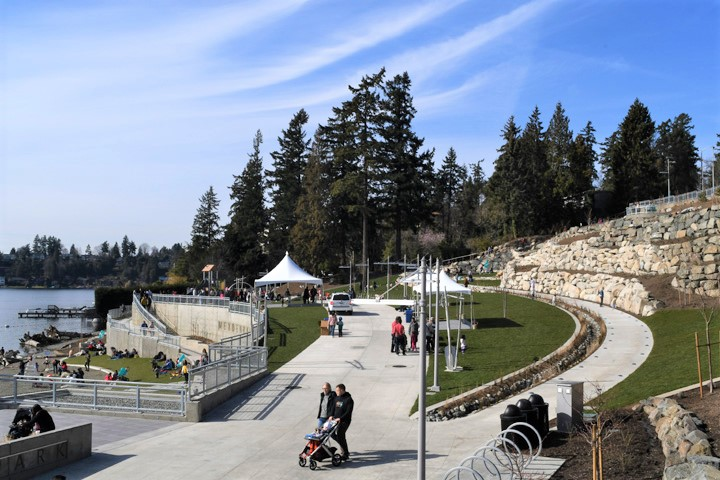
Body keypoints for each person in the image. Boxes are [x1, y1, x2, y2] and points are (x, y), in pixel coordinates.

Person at [329, 384, 353, 460]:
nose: (336, 392)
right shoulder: (336, 398)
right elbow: (333, 407)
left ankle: (346, 453)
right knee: (331, 433)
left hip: (344, 421)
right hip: (335, 420)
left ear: (342, 390)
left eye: (337, 390)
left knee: (340, 435)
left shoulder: (349, 399)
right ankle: (342, 443)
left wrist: (340, 418)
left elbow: (348, 412)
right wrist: (331, 415)